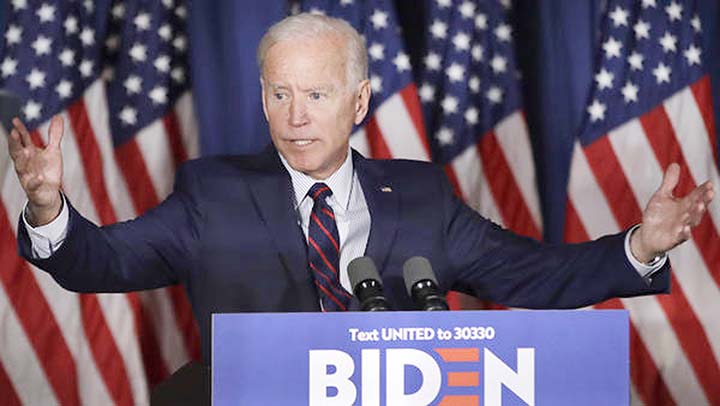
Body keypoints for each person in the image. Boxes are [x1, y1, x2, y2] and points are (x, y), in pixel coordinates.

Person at [7, 13, 714, 366]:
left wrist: (640, 246)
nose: (296, 114)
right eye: (279, 93)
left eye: (316, 93)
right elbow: (102, 261)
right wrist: (48, 210)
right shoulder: (211, 193)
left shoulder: (423, 196)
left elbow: (532, 273)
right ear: (261, 98)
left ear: (360, 100)